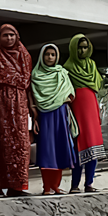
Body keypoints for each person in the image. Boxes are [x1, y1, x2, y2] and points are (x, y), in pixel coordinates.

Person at [0, 24, 33, 198]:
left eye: (12, 35)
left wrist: (31, 108)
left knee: (20, 146)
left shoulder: (24, 56)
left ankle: (16, 188)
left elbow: (27, 84)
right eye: (5, 35)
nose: (9, 38)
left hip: (19, 107)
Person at [30, 44, 76, 195]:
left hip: (60, 114)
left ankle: (56, 186)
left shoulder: (62, 73)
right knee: (47, 150)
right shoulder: (36, 75)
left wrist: (63, 99)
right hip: (45, 116)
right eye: (47, 54)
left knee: (59, 149)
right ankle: (47, 187)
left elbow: (70, 93)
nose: (50, 57)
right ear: (42, 57)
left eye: (53, 55)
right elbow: (34, 96)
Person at [63, 34, 107, 193]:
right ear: (74, 48)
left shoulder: (92, 65)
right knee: (78, 146)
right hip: (76, 108)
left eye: (85, 47)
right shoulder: (67, 68)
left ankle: (89, 184)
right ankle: (74, 185)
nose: (82, 50)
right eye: (79, 47)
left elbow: (96, 87)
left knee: (93, 145)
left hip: (92, 106)